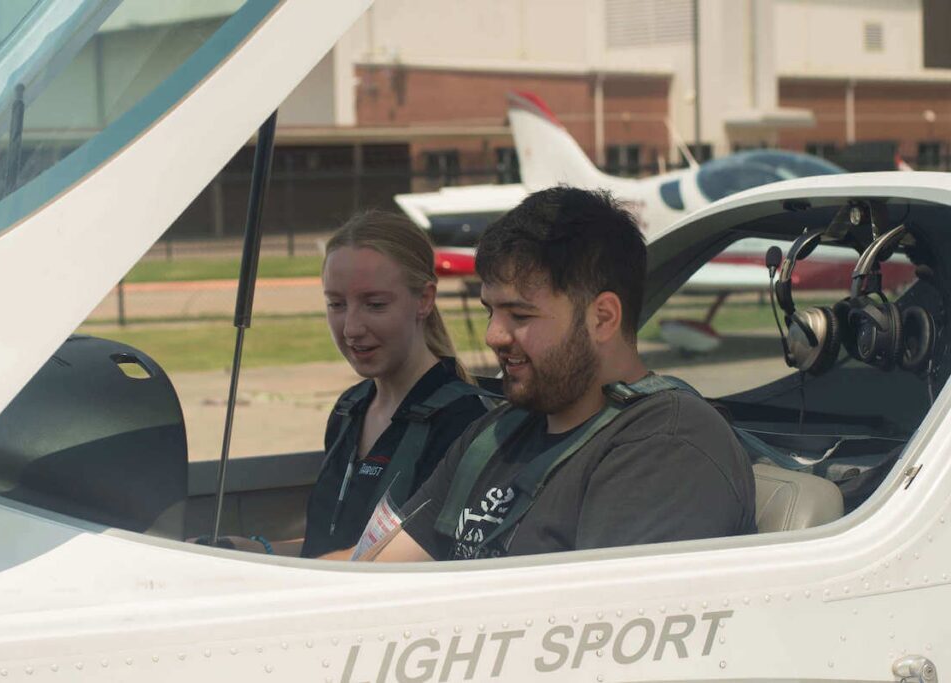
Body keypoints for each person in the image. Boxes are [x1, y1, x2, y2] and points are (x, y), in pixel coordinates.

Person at [369, 187, 756, 562]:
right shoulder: (495, 435)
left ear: (602, 317)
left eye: (520, 315)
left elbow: (601, 621)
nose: (493, 336)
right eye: (491, 312)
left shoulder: (667, 448)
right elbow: (380, 571)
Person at [299, 210, 491, 558]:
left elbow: (396, 559)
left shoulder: (462, 423)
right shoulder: (349, 409)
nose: (351, 328)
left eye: (374, 304)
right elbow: (333, 546)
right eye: (336, 304)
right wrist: (254, 549)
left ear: (424, 300)